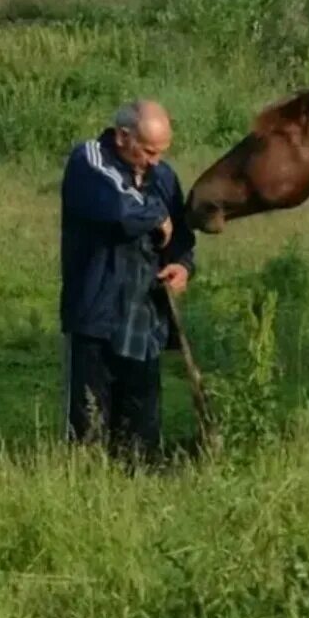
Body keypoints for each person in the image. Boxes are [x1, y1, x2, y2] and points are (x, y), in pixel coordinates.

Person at [59, 99, 195, 463]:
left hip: (145, 313)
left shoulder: (163, 176)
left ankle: (140, 485)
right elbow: (119, 210)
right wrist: (156, 216)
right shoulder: (88, 160)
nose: (154, 160)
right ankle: (85, 491)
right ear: (122, 136)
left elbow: (181, 236)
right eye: (148, 151)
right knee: (89, 424)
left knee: (142, 427)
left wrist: (182, 265)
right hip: (96, 312)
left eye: (161, 152)